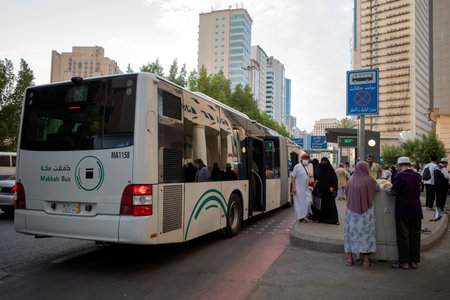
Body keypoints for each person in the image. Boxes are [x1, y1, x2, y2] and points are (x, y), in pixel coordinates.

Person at [384, 156, 423, 270]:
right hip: (416, 209)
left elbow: (393, 192)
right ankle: (414, 261)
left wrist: (387, 187)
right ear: (410, 165)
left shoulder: (399, 175)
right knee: (415, 236)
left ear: (400, 166)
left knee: (403, 236)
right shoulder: (417, 175)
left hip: (403, 209)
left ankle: (404, 262)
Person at [344, 161, 378, 267]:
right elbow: (377, 188)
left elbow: (346, 192)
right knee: (365, 234)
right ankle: (366, 261)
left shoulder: (350, 180)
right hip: (365, 213)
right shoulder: (370, 180)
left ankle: (350, 259)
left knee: (350, 234)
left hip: (351, 213)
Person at [310, 157, 339, 225]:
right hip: (320, 191)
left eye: (325, 161)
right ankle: (320, 219)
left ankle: (332, 220)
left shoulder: (330, 170)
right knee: (319, 205)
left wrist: (333, 187)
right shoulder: (318, 169)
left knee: (330, 205)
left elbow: (334, 180)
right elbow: (314, 178)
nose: (323, 162)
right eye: (322, 161)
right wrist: (315, 182)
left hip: (328, 191)